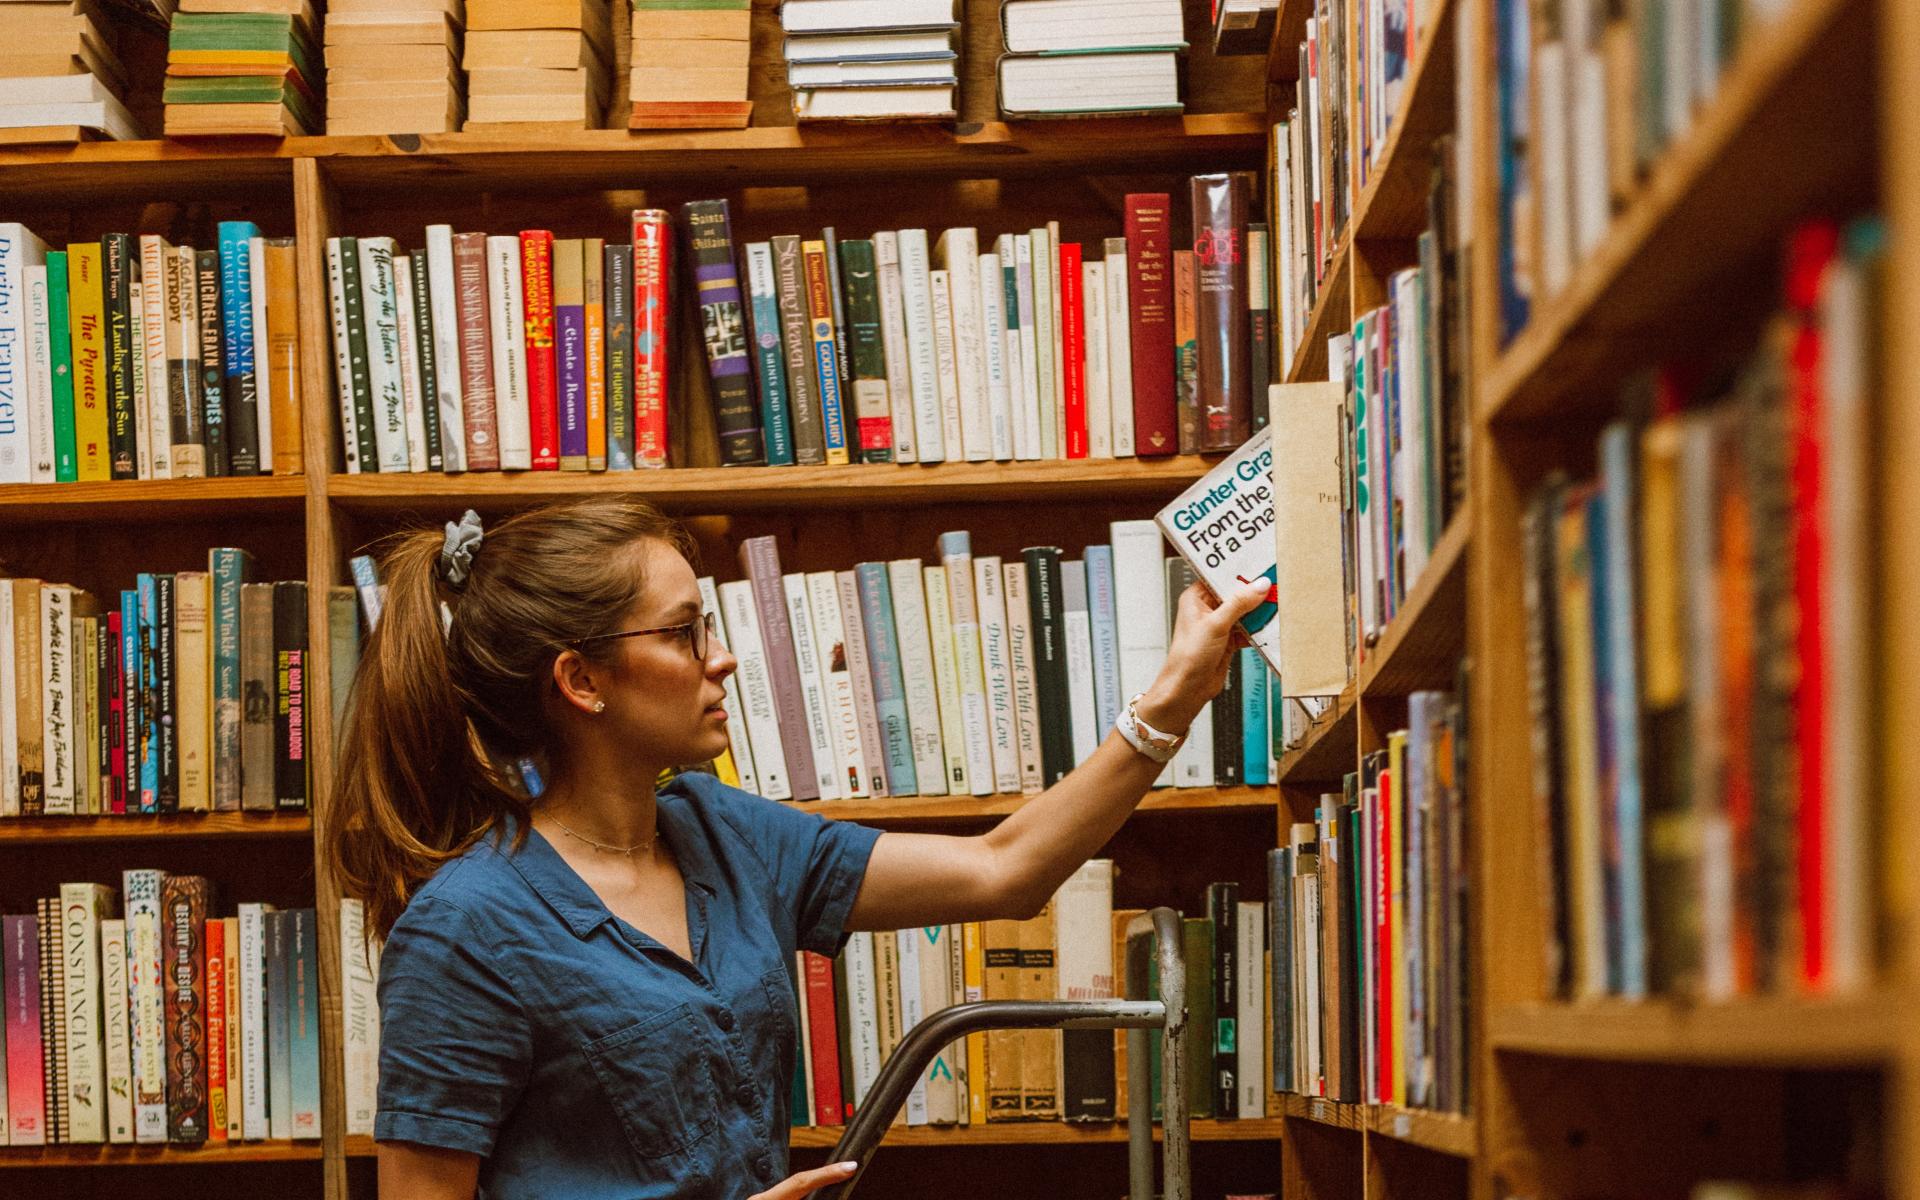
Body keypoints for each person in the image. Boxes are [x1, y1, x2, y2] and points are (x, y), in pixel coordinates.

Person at [329, 497, 1267, 1200]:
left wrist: (1176, 694)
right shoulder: (465, 930)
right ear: (580, 679)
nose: (721, 656)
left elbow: (1005, 870)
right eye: (686, 631)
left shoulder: (723, 832)